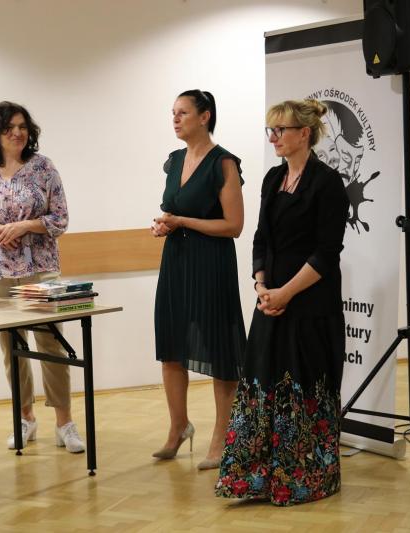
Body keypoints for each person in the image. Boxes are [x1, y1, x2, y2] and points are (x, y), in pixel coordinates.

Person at [215, 99, 349, 505]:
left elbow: (326, 253)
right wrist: (261, 285)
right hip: (270, 301)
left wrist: (286, 292)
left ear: (304, 134)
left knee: (303, 384)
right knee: (262, 382)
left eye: (280, 130)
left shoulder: (327, 183)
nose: (273, 138)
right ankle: (255, 478)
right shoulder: (273, 178)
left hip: (310, 304)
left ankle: (303, 480)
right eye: (270, 130)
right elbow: (261, 238)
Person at [0, 101, 85, 453]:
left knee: (52, 343)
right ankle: (25, 418)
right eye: (9, 127)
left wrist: (25, 225)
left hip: (40, 268)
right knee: (11, 347)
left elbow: (60, 218)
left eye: (22, 126)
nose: (17, 133)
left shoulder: (44, 168)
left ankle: (64, 423)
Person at [151, 90, 247, 470]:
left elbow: (234, 226)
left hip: (211, 264)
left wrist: (182, 221)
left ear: (205, 116)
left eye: (183, 113)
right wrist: (164, 224)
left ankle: (222, 438)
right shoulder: (174, 160)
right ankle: (179, 427)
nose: (175, 119)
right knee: (171, 346)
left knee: (220, 350)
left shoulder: (223, 163)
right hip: (176, 261)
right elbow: (172, 209)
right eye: (173, 113)